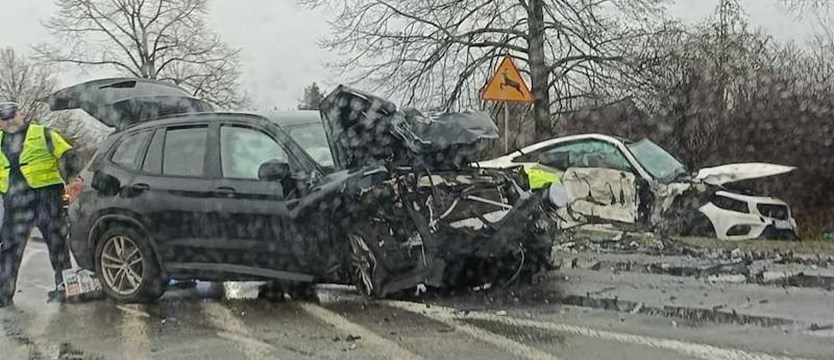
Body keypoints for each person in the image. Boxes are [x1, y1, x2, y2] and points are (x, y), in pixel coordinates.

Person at [0, 102, 80, 306]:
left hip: (47, 197)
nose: (8, 121)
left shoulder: (43, 133)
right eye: (3, 118)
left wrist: (71, 178)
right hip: (14, 200)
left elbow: (68, 154)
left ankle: (65, 288)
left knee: (57, 243)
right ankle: (3, 293)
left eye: (12, 116)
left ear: (22, 114)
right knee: (9, 248)